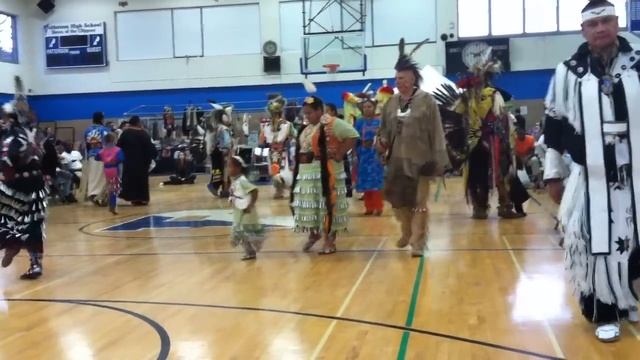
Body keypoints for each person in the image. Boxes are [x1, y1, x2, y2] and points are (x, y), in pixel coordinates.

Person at [544, 0, 640, 342]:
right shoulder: (569, 71)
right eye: (593, 24)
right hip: (592, 174)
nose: (601, 29)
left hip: (637, 171)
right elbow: (553, 124)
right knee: (594, 241)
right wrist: (553, 174)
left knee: (634, 238)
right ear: (583, 30)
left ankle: (629, 298)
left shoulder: (638, 63)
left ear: (617, 24)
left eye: (607, 21)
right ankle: (604, 310)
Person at [377, 38, 450, 257]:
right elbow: (384, 130)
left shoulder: (427, 101)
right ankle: (406, 230)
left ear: (412, 78)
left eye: (401, 78)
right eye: (396, 78)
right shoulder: (391, 103)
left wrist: (439, 159)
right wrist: (380, 142)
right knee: (399, 203)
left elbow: (436, 131)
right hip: (397, 161)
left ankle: (418, 242)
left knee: (419, 203)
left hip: (421, 161)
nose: (398, 81)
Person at [454, 49, 523, 220]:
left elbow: (456, 115)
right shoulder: (491, 94)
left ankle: (481, 208)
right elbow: (501, 117)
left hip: (477, 140)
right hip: (490, 140)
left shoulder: (468, 96)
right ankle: (500, 207)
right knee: (498, 172)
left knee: (482, 174)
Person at [291, 96, 359, 255]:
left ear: (319, 111)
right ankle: (314, 233)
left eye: (309, 113)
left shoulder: (331, 123)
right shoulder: (306, 127)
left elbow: (353, 135)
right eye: (305, 113)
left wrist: (340, 152)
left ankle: (330, 240)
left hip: (327, 172)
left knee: (328, 205)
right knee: (311, 205)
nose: (306, 116)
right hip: (307, 173)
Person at [0, 96, 50, 280]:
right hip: (32, 185)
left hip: (17, 187)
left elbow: (10, 159)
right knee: (32, 224)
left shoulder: (16, 136)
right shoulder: (28, 134)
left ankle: (15, 245)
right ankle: (30, 259)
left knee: (20, 222)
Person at [228, 156, 264, 261]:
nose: (228, 169)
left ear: (238, 168)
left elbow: (254, 191)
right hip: (239, 211)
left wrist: (250, 205)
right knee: (241, 233)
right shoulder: (235, 181)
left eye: (230, 166)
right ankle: (250, 252)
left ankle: (251, 251)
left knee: (243, 232)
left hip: (246, 212)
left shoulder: (242, 180)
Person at [260, 96, 296, 199]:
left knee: (278, 173)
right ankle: (282, 190)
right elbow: (295, 135)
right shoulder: (288, 125)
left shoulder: (266, 126)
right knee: (280, 173)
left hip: (275, 152)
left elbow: (261, 140)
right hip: (283, 152)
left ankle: (281, 190)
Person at [117, 116, 157, 205]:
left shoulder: (125, 133)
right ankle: (142, 199)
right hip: (142, 162)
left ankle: (133, 198)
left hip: (129, 162)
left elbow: (118, 146)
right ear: (138, 123)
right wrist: (153, 156)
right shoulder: (144, 134)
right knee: (141, 181)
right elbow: (150, 148)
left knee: (130, 180)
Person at [354, 99, 385, 216]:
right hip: (363, 155)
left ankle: (378, 207)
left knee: (376, 181)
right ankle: (369, 207)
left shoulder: (380, 122)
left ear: (374, 108)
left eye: (369, 106)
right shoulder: (359, 122)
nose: (367, 109)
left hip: (376, 154)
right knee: (366, 182)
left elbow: (385, 137)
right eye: (365, 107)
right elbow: (354, 138)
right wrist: (355, 154)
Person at [83, 111, 110, 206]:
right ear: (102, 119)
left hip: (91, 156)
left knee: (93, 177)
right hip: (102, 156)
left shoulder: (87, 130)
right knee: (101, 178)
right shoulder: (104, 130)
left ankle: (92, 193)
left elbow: (86, 145)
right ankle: (99, 196)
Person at [96, 133, 125, 214]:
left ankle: (110, 202)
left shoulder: (102, 150)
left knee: (110, 185)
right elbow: (121, 159)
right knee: (115, 188)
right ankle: (112, 205)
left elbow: (97, 157)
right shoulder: (118, 150)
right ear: (114, 140)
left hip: (106, 169)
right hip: (115, 168)